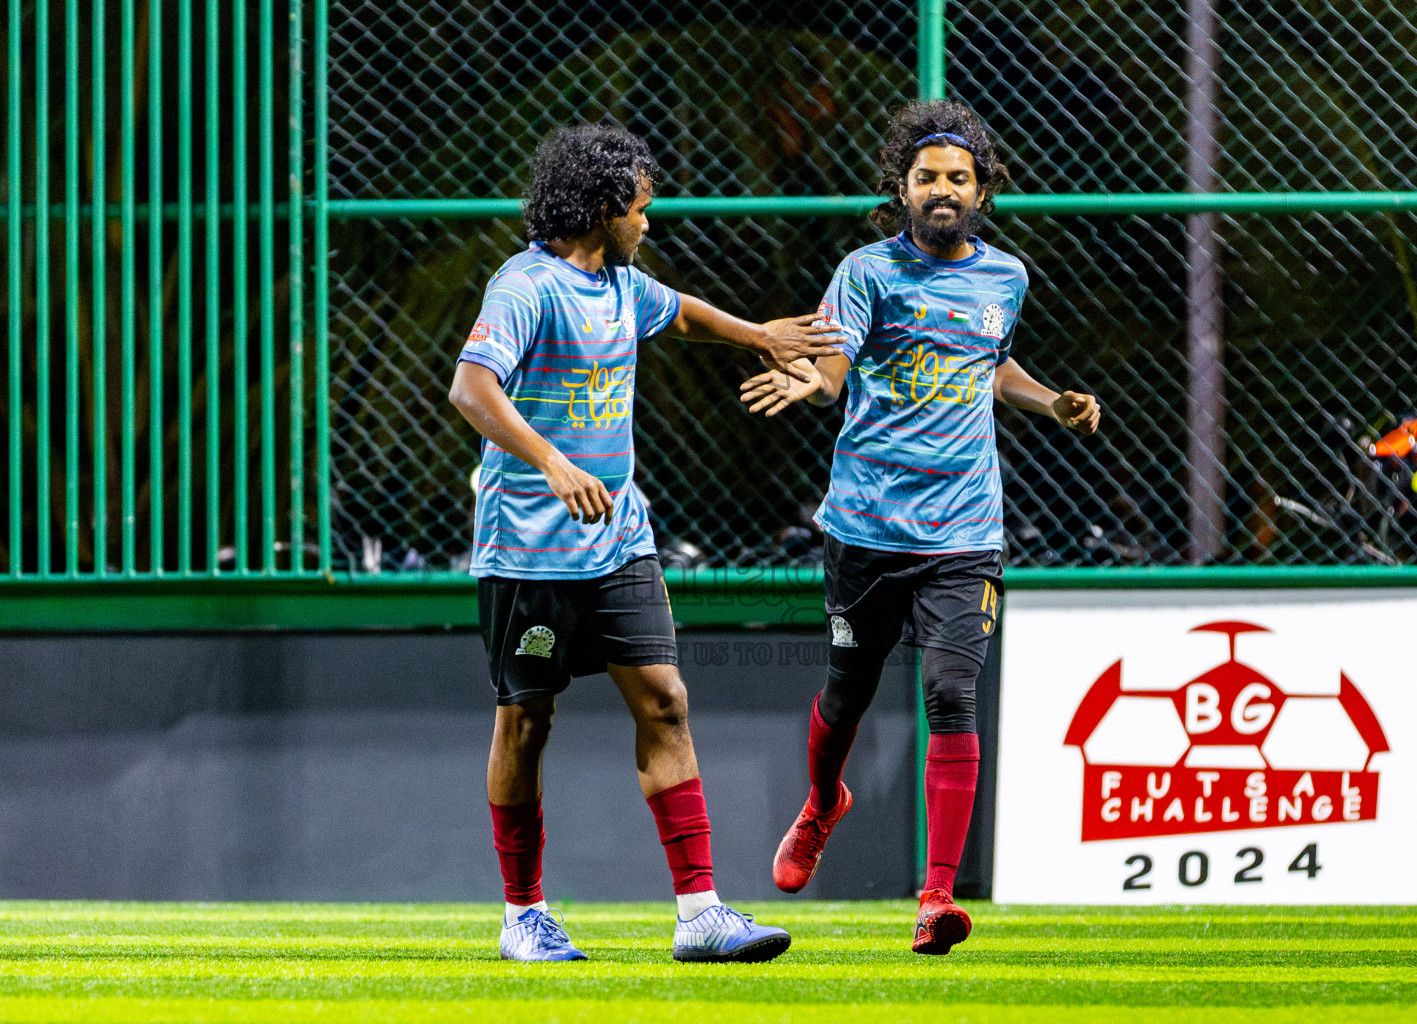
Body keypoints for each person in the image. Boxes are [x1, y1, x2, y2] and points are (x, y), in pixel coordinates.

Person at [450, 123, 841, 963]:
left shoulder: (623, 285)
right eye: (641, 209)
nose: (648, 223)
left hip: (621, 540)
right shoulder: (526, 287)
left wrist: (760, 335)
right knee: (527, 719)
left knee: (665, 698)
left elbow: (685, 316)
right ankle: (523, 915)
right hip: (531, 552)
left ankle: (700, 913)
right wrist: (552, 461)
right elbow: (471, 387)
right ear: (601, 207)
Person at [740, 101, 1101, 955]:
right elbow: (834, 365)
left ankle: (935, 898)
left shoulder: (1005, 277)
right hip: (866, 527)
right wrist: (814, 387)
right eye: (928, 176)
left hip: (966, 530)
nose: (943, 190)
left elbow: (992, 362)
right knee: (846, 696)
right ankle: (825, 801)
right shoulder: (866, 272)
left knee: (952, 692)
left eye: (958, 178)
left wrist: (1051, 401)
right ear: (900, 187)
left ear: (982, 189)